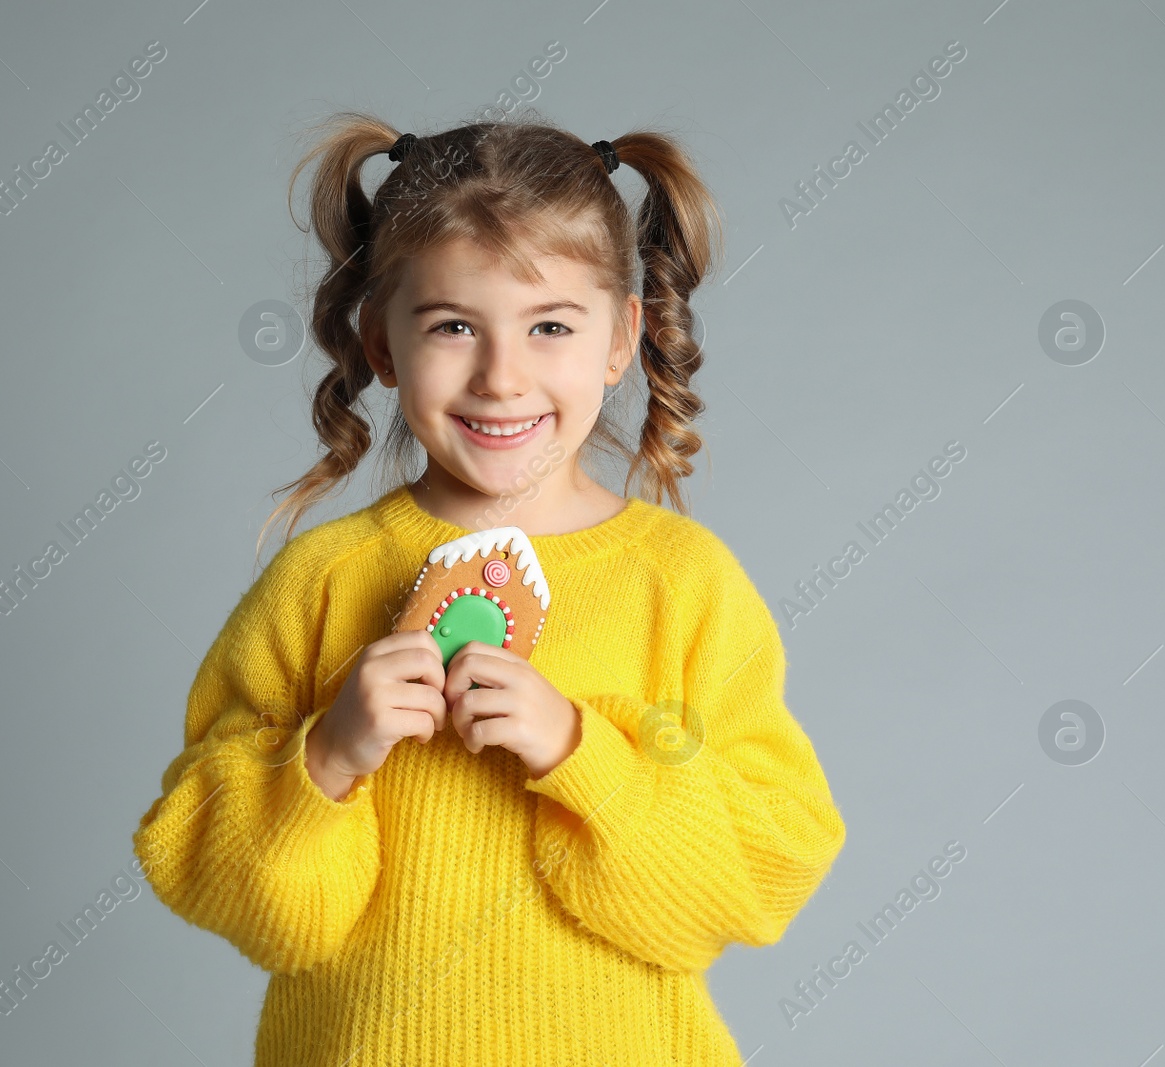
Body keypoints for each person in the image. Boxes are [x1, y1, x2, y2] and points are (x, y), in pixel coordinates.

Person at [132, 110, 846, 1066]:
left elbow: (763, 867)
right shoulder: (322, 580)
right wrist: (328, 759)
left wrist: (582, 753)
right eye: (453, 326)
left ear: (619, 338)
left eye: (550, 324)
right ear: (381, 345)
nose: (501, 377)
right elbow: (226, 886)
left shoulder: (681, 584)